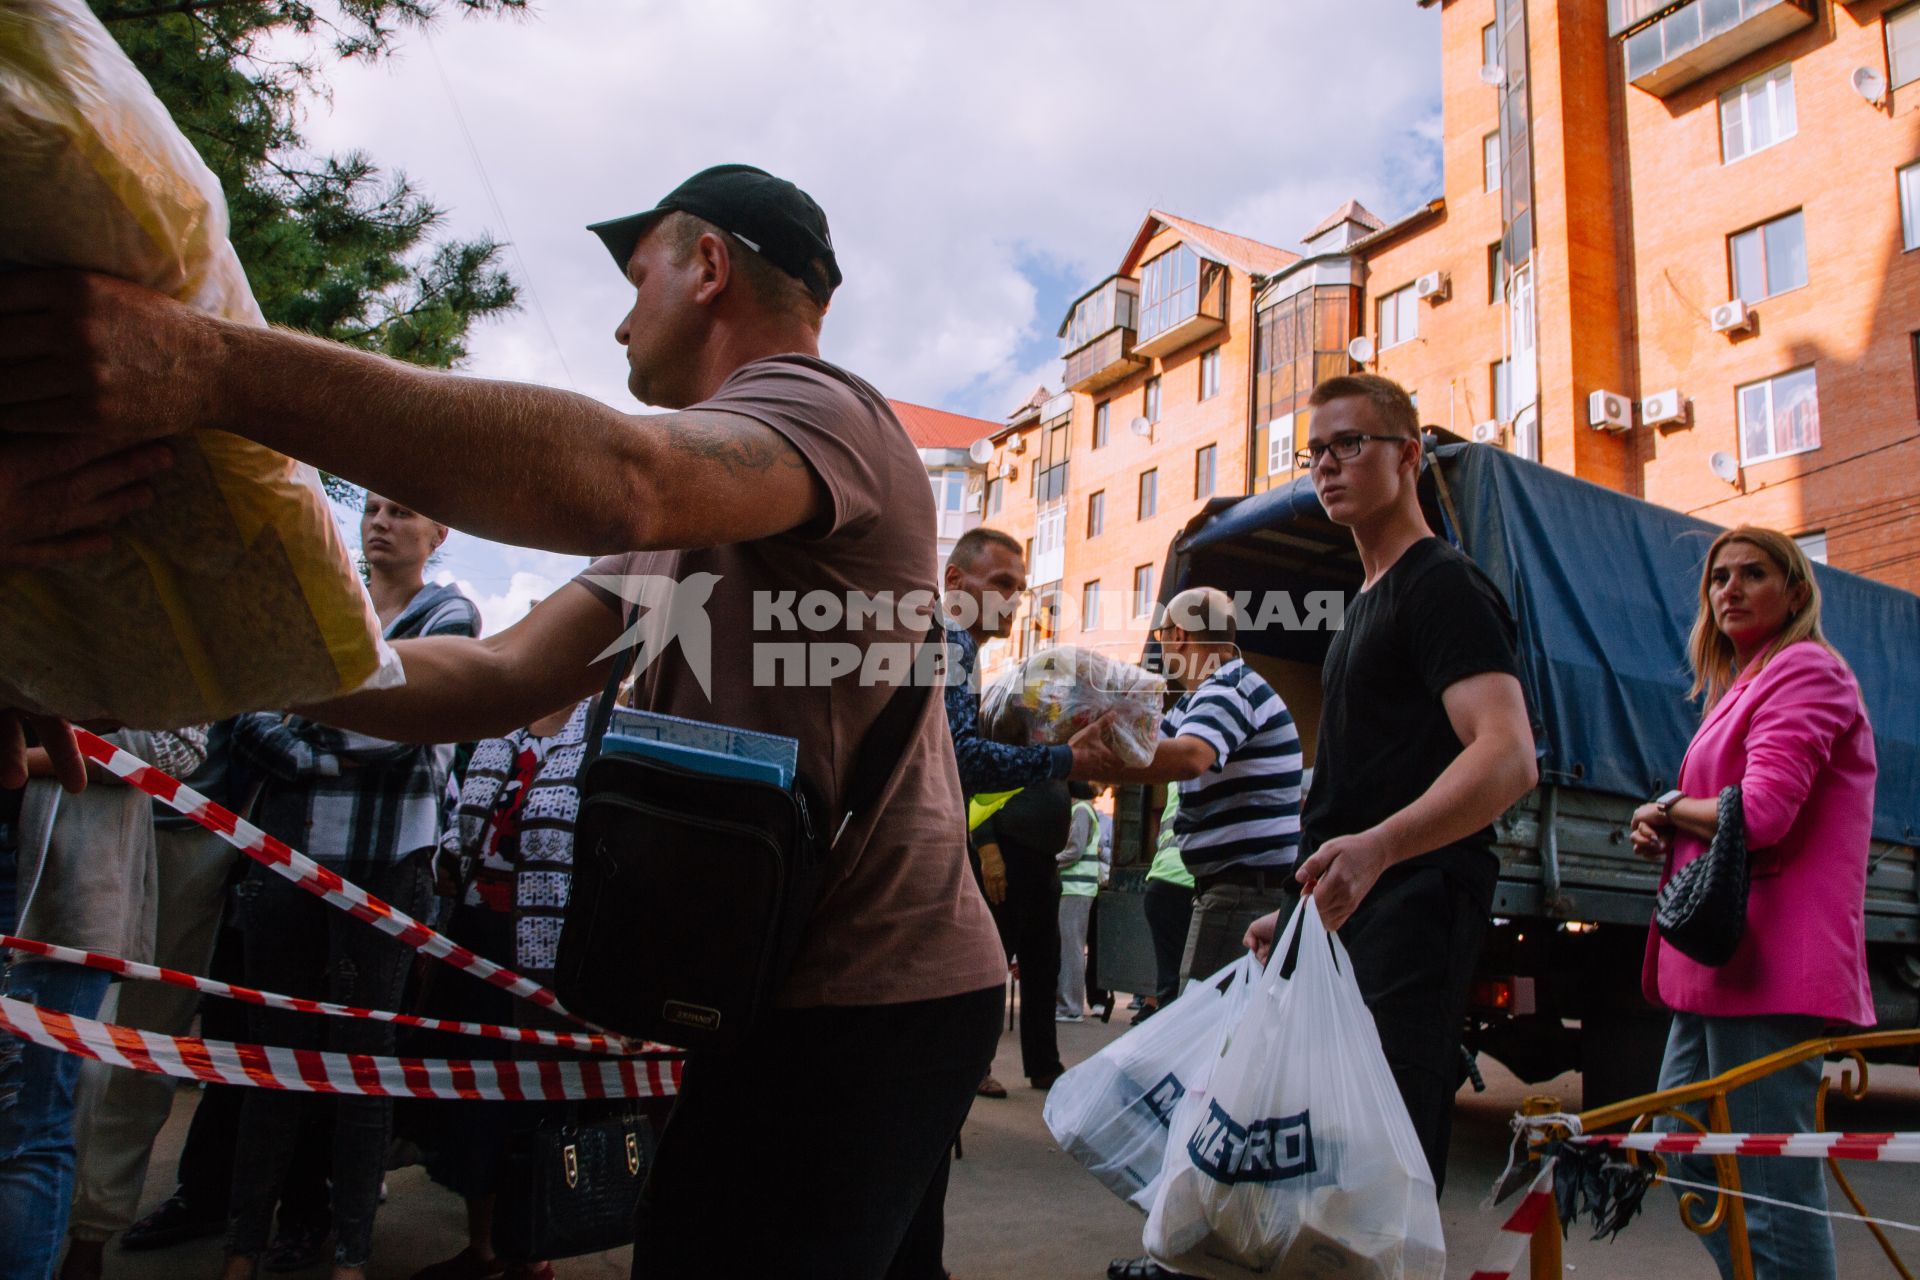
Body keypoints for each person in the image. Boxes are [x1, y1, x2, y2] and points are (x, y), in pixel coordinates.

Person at [0, 163, 1027, 1280]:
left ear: (712, 267)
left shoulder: (825, 413)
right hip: (803, 997)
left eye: (641, 278)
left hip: (863, 1002)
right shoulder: (699, 514)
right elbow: (497, 677)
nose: (622, 316)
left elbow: (614, 474)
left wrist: (214, 366)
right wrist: (199, 666)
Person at [1246, 374, 1536, 1189]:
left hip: (1413, 906)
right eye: (1315, 454)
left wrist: (1381, 851)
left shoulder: (1441, 582)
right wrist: (1294, 917)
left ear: (1408, 456)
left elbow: (1508, 755)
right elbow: (1360, 782)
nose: (1328, 466)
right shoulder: (1361, 604)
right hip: (1342, 910)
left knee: (1380, 1175)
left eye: (1349, 444)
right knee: (1320, 1164)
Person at [223, 494, 478, 1280]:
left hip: (387, 866)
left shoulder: (452, 617)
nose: (380, 522)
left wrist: (299, 735)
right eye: (371, 507)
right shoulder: (324, 602)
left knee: (364, 1065)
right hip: (290, 857)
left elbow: (401, 724)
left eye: (402, 511)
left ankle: (353, 1254)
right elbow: (242, 703)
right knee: (272, 1061)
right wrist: (329, 730)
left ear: (437, 533)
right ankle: (241, 1248)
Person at [1629, 527, 1875, 1280]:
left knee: (1772, 1192)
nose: (1728, 588)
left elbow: (1761, 814)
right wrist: (1667, 821)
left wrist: (1671, 806)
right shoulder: (1744, 681)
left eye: (1753, 574)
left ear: (1795, 593)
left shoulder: (1806, 670)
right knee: (1685, 1152)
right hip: (1720, 962)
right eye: (1718, 577)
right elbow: (1724, 813)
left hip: (1772, 967)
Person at [0, 725, 207, 1280]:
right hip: (64, 878)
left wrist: (29, 756)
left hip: (70, 888)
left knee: (31, 1121)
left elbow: (176, 747)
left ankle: (84, 1239)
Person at [411, 698, 594, 1280]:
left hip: (550, 954)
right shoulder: (502, 727)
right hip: (475, 940)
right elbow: (459, 815)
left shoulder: (605, 731)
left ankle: (533, 1255)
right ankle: (483, 1249)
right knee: (475, 1100)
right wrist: (448, 851)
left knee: (535, 1107)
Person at [938, 526, 1120, 1096]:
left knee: (1035, 963)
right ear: (954, 581)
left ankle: (1038, 1064)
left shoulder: (959, 650)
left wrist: (1072, 758)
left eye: (1019, 588)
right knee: (983, 965)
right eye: (1000, 584)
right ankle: (969, 1067)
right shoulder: (954, 644)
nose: (1013, 601)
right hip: (991, 852)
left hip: (1042, 857)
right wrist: (1060, 758)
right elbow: (963, 759)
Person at [60, 722, 240, 1280]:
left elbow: (175, 749)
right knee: (48, 1038)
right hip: (73, 816)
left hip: (192, 835)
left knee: (139, 1054)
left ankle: (88, 1236)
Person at [1088, 587, 1303, 984]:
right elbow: (1143, 748)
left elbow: (1189, 757)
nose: (1161, 645)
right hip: (1237, 889)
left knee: (1206, 1029)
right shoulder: (1199, 700)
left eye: (1160, 635)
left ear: (1179, 635)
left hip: (1244, 894)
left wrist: (1080, 759)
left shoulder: (1229, 688)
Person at [974, 780, 1070, 1088]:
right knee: (988, 970)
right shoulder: (999, 735)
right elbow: (975, 790)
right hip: (1005, 855)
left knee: (1043, 968)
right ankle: (977, 1069)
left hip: (1043, 864)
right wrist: (987, 848)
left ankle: (1044, 1065)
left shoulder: (1050, 741)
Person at [1055, 782, 1104, 1022]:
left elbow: (1074, 850)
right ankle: (1067, 1004)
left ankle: (1070, 1007)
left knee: (1071, 948)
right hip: (1075, 888)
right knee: (1069, 946)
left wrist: (1049, 860)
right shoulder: (1082, 810)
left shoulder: (1081, 810)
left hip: (1076, 887)